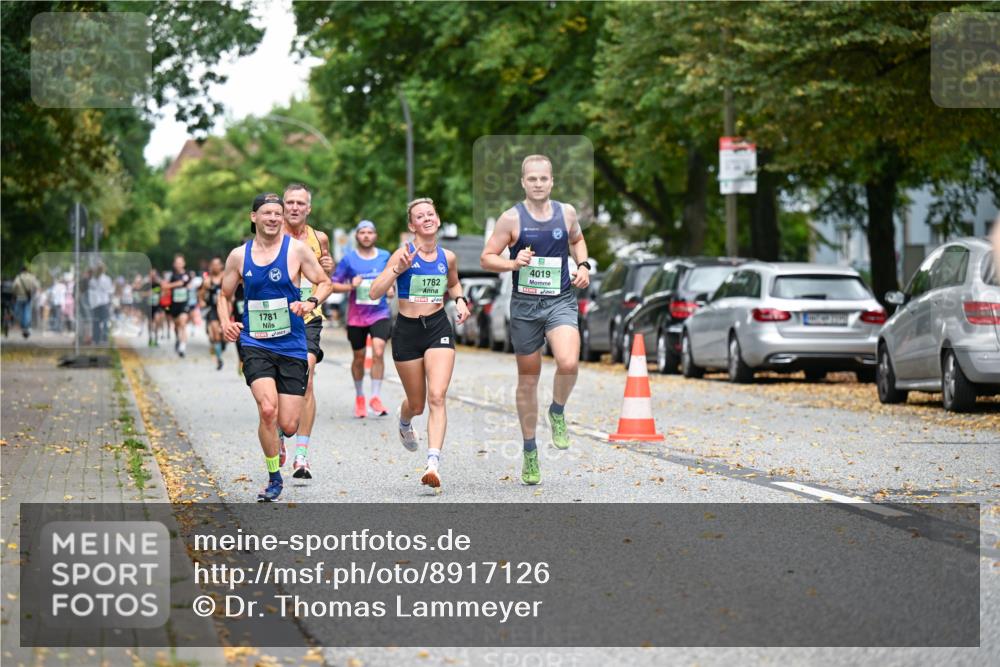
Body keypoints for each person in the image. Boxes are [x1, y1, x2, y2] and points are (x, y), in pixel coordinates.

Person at [480, 154, 591, 486]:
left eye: (544, 179)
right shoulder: (510, 218)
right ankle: (530, 451)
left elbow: (577, 241)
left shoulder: (567, 213)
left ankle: (557, 410)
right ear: (523, 182)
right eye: (532, 179)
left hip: (559, 300)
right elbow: (487, 258)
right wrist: (514, 263)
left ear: (552, 181)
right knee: (528, 380)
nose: (538, 184)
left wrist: (583, 266)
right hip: (526, 307)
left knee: (569, 362)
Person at [218, 193, 333, 502]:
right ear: (253, 217)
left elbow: (324, 282)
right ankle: (273, 478)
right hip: (255, 343)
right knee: (267, 410)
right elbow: (223, 294)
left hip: (292, 344)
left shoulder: (296, 250)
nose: (273, 218)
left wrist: (309, 302)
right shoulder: (239, 256)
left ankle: (284, 439)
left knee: (289, 424)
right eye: (267, 213)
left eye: (277, 214)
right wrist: (225, 322)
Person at [369, 198, 469, 490]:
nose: (426, 218)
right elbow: (376, 292)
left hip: (438, 327)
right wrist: (396, 270)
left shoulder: (447, 256)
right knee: (417, 403)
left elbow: (453, 283)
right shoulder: (403, 254)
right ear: (412, 225)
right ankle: (404, 421)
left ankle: (433, 464)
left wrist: (460, 300)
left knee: (437, 396)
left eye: (431, 214)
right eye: (419, 216)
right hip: (407, 332)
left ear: (437, 220)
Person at [280, 183, 334, 479]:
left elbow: (326, 275)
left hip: (309, 315)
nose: (295, 207)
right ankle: (278, 433)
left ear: (309, 208)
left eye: (301, 203)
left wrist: (329, 264)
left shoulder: (319, 238)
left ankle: (302, 455)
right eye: (291, 202)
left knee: (307, 377)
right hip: (276, 318)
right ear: (283, 206)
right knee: (278, 383)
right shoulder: (272, 235)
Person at [331, 220, 393, 419]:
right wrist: (351, 285)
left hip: (379, 313)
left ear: (375, 235)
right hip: (356, 317)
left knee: (378, 350)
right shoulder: (349, 259)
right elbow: (333, 285)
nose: (366, 236)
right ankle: (360, 397)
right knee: (358, 358)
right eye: (362, 232)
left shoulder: (385, 256)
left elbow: (393, 276)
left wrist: (390, 288)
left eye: (370, 232)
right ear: (357, 236)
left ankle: (375, 396)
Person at [199, 257, 226, 370]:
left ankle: (222, 345)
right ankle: (219, 359)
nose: (215, 267)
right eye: (213, 264)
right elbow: (201, 295)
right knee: (215, 334)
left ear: (221, 266)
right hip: (213, 309)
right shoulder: (207, 280)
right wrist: (202, 301)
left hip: (225, 309)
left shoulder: (225, 277)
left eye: (217, 264)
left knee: (224, 335)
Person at [163, 254, 191, 357]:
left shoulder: (187, 274)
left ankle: (182, 348)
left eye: (180, 262)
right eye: (177, 263)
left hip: (184, 304)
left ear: (184, 263)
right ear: (174, 264)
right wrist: (172, 285)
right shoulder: (171, 276)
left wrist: (172, 285)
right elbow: (165, 287)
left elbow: (184, 282)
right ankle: (178, 339)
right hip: (174, 305)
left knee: (183, 323)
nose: (179, 265)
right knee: (176, 326)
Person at [87, 262, 114, 345]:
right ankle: (105, 339)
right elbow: (110, 291)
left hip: (95, 304)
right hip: (104, 302)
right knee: (105, 321)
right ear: (104, 270)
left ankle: (96, 340)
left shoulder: (92, 280)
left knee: (96, 322)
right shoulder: (107, 279)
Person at [12, 265, 41, 338]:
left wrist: (15, 293)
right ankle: (26, 327)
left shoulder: (18, 277)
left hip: (19, 297)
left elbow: (14, 286)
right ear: (27, 270)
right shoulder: (31, 277)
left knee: (19, 312)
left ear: (21, 270)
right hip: (28, 297)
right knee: (27, 312)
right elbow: (37, 286)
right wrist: (32, 291)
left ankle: (22, 326)